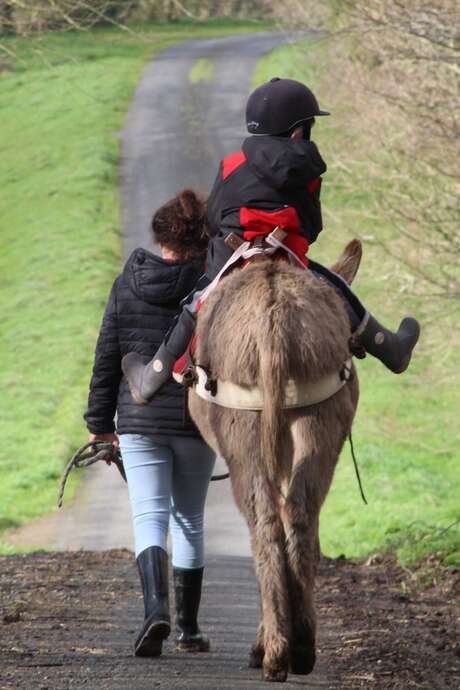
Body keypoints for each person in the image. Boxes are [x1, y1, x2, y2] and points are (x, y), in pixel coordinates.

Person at [122, 77, 420, 404]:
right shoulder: (309, 171)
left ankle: (150, 379)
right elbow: (312, 227)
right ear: (297, 130)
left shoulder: (231, 165)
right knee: (336, 287)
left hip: (232, 261)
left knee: (195, 304)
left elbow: (215, 217)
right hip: (288, 257)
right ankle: (391, 350)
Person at [84, 190, 215, 657]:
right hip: (195, 420)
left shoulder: (127, 283)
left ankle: (154, 612)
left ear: (161, 237)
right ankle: (189, 629)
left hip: (138, 419)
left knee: (149, 516)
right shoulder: (213, 285)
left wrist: (100, 424)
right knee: (190, 520)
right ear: (205, 238)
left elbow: (106, 358)